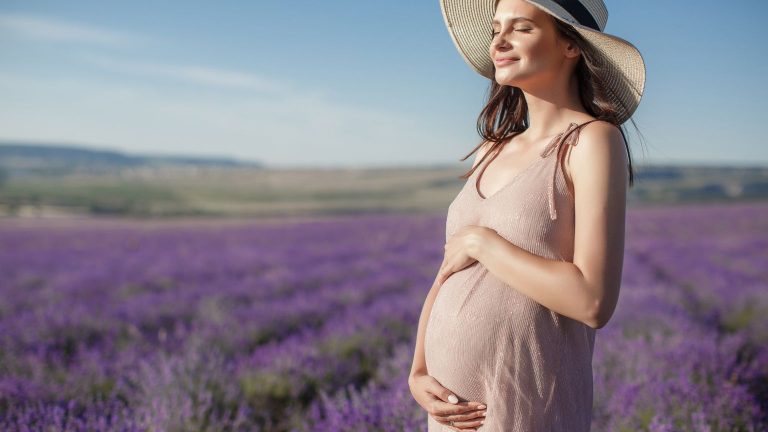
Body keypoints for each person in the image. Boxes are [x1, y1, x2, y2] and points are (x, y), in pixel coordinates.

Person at [408, 0, 646, 431]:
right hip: (449, 413)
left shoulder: (591, 142)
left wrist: (485, 243)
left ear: (571, 45)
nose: (498, 40)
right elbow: (448, 271)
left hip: (528, 407)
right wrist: (418, 370)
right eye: (497, 28)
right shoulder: (491, 149)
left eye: (521, 28)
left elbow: (592, 301)